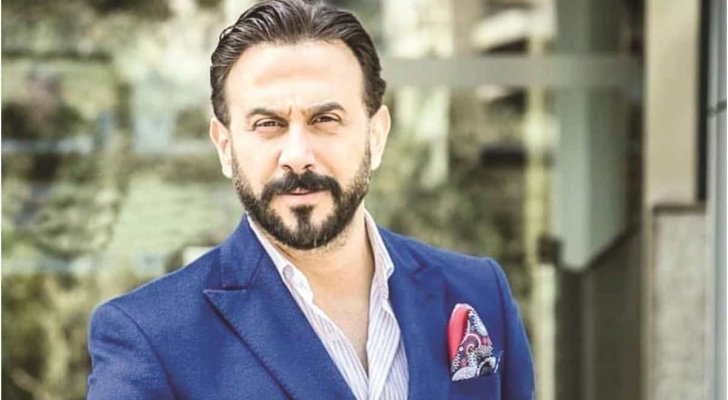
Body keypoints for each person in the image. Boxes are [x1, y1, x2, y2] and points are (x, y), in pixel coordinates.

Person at [86, 0, 535, 399]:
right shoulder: (150, 336)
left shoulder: (478, 292)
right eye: (268, 124)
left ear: (376, 136)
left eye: (325, 119)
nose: (298, 155)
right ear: (225, 147)